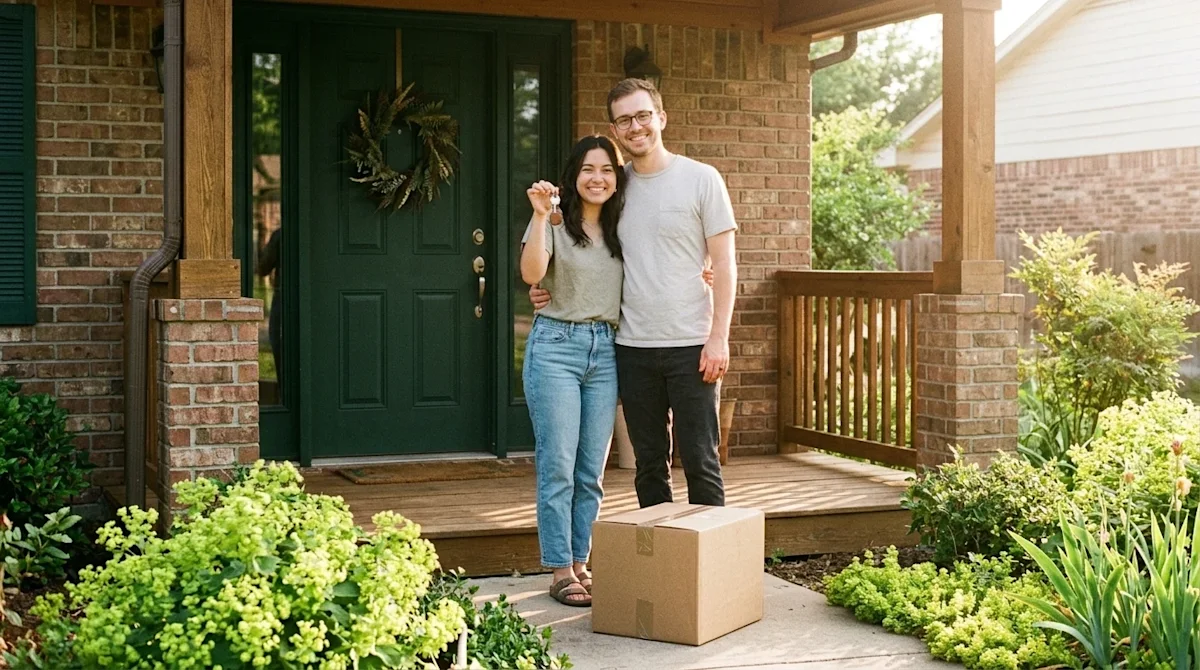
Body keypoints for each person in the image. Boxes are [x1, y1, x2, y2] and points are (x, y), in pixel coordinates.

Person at [531, 78, 738, 510]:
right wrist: (550, 289)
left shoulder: (702, 179)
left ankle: (713, 570)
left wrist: (719, 336)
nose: (635, 126)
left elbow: (725, 263)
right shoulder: (612, 186)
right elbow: (574, 240)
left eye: (643, 115)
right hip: (630, 346)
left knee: (701, 460)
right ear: (616, 128)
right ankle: (660, 564)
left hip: (692, 345)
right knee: (648, 464)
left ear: (661, 118)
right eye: (624, 120)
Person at [520, 135, 626, 607]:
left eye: (606, 169)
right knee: (559, 463)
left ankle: (582, 562)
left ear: (617, 177)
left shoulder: (627, 229)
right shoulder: (555, 221)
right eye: (588, 168)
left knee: (591, 470)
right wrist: (541, 215)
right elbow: (531, 274)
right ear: (573, 175)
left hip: (607, 352)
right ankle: (560, 568)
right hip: (556, 348)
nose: (597, 177)